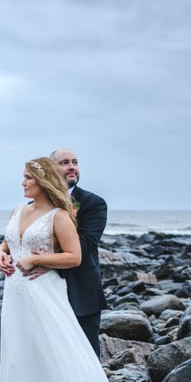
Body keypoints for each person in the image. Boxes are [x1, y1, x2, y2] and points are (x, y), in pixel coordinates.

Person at [0, 157, 123, 382]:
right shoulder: (17, 210)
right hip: (16, 293)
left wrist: (38, 260)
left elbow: (75, 257)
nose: (22, 183)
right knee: (19, 355)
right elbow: (9, 243)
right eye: (22, 177)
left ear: (44, 181)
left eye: (28, 178)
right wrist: (0, 256)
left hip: (45, 292)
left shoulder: (60, 216)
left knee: (50, 356)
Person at [50, 148, 108, 357]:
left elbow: (85, 246)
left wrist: (39, 259)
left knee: (86, 355)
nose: (72, 166)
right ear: (50, 169)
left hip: (81, 290)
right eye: (64, 163)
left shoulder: (94, 203)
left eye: (75, 162)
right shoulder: (35, 206)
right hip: (45, 289)